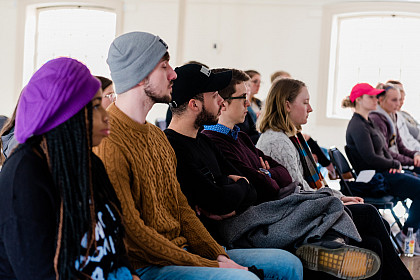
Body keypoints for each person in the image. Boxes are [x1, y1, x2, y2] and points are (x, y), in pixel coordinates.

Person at [165, 64, 382, 280]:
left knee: (369, 242)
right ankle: (324, 242)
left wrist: (239, 184)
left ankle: (329, 243)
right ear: (194, 104)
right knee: (346, 224)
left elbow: (254, 187)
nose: (221, 102)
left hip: (251, 218)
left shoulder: (206, 140)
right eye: (215, 96)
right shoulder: (179, 145)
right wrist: (241, 183)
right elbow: (222, 198)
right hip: (232, 232)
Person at [94, 31, 280, 280]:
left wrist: (217, 256)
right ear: (139, 76)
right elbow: (132, 234)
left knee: (287, 265)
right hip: (148, 264)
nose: (173, 74)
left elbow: (181, 208)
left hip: (183, 252)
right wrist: (211, 265)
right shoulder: (110, 141)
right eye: (164, 66)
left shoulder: (156, 136)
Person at [255, 78, 413, 279]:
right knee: (370, 214)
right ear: (287, 105)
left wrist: (338, 197)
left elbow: (304, 188)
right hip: (296, 215)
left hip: (306, 207)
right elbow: (298, 193)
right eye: (305, 102)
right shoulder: (277, 141)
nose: (310, 108)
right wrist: (337, 199)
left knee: (373, 244)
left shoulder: (289, 137)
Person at [0, 57, 138, 279]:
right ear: (65, 115)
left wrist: (130, 274)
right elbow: (39, 273)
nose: (106, 115)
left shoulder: (90, 163)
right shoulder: (24, 175)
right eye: (95, 107)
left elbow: (116, 242)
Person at [341, 82, 420, 257]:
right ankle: (406, 235)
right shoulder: (357, 125)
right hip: (375, 178)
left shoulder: (368, 122)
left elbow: (384, 152)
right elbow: (369, 159)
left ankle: (409, 233)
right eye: (371, 96)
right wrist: (393, 165)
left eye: (376, 96)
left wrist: (394, 164)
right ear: (359, 100)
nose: (376, 99)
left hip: (384, 173)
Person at [369, 84, 420, 172]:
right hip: (388, 168)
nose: (398, 104)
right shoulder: (377, 119)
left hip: (397, 164)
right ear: (381, 100)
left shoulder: (392, 116)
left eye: (399, 100)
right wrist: (412, 161)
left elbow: (400, 146)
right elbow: (386, 152)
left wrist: (415, 154)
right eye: (394, 100)